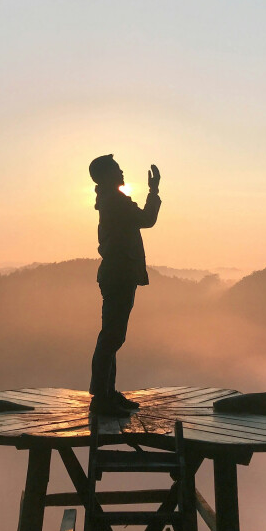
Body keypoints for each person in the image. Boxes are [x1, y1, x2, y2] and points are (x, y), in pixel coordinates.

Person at [88, 154, 161, 416]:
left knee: (113, 335)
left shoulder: (110, 200)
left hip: (117, 274)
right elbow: (147, 219)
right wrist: (154, 190)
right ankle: (101, 398)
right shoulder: (115, 202)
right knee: (112, 336)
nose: (122, 172)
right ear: (107, 175)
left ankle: (107, 393)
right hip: (118, 275)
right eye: (117, 169)